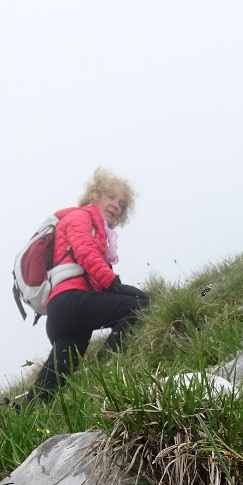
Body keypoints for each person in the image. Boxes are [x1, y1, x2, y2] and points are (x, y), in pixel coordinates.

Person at [23, 168, 149, 403]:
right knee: (139, 304)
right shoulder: (80, 217)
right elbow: (85, 252)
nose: (116, 205)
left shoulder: (97, 228)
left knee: (59, 372)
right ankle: (107, 368)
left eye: (121, 203)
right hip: (72, 300)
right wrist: (113, 283)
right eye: (111, 197)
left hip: (62, 312)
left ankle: (27, 412)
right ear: (95, 195)